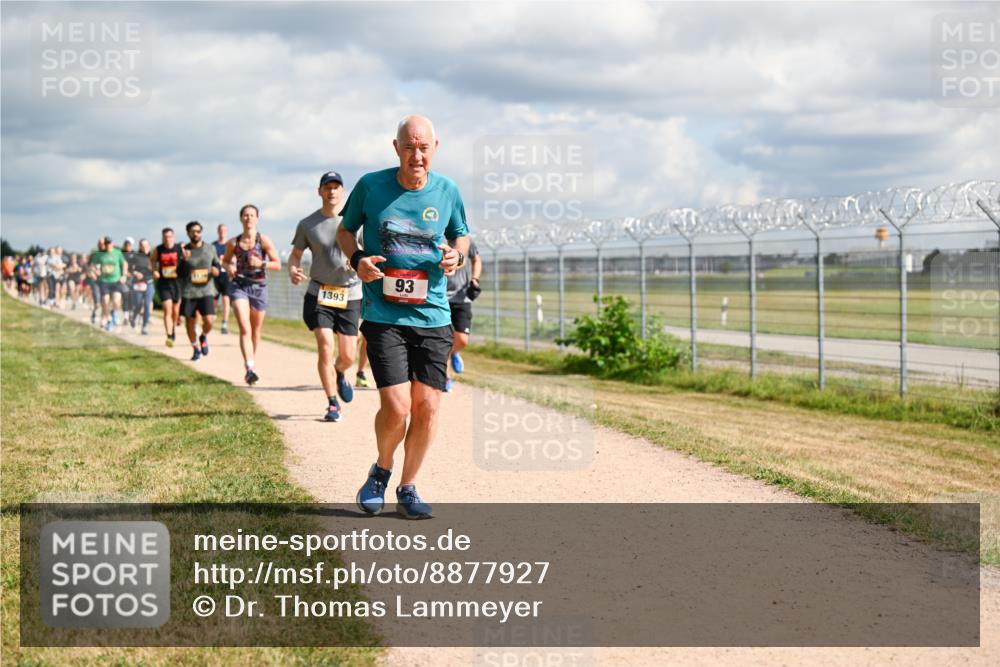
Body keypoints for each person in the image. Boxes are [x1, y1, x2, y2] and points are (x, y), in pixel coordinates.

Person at [336, 114, 469, 519]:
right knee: (397, 407)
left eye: (423, 148)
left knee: (427, 407)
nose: (416, 156)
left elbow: (461, 234)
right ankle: (382, 469)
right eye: (408, 147)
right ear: (396, 148)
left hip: (433, 316)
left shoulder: (448, 190)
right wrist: (357, 258)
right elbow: (345, 231)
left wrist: (456, 254)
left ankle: (408, 486)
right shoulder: (370, 186)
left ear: (435, 148)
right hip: (384, 314)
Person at [289, 171, 362, 422]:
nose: (332, 191)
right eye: (327, 187)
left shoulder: (355, 223)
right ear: (319, 192)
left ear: (342, 192)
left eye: (336, 187)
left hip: (350, 294)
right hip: (319, 292)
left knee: (348, 356)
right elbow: (296, 255)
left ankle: (340, 373)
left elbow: (366, 251)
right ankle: (332, 403)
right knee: (325, 347)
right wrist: (293, 269)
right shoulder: (307, 224)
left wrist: (359, 261)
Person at [222, 204, 280, 385]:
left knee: (255, 330)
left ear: (257, 218)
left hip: (259, 288)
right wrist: (229, 266)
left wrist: (261, 263)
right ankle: (249, 367)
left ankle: (251, 362)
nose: (248, 218)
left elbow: (277, 264)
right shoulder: (233, 243)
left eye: (252, 215)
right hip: (239, 286)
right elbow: (224, 262)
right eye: (245, 215)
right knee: (245, 328)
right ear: (241, 219)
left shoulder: (263, 241)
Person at [444, 238, 483, 391]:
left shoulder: (467, 241)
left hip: (461, 297)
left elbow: (476, 260)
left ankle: (453, 352)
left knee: (462, 340)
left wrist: (475, 280)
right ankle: (445, 377)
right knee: (443, 339)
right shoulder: (438, 237)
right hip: (440, 297)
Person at [181, 221, 221, 361]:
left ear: (201, 232)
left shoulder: (210, 248)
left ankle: (203, 336)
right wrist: (185, 261)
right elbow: (180, 273)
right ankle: (195, 347)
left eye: (198, 231)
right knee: (190, 323)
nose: (196, 233)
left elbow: (217, 264)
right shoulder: (184, 250)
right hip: (189, 292)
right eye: (193, 231)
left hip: (207, 290)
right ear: (188, 233)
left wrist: (217, 270)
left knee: (209, 320)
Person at [150, 228, 184, 346]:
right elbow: (152, 261)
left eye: (169, 236)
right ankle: (169, 335)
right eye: (165, 237)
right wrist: (154, 271)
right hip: (164, 284)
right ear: (162, 238)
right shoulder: (159, 250)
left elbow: (186, 261)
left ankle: (173, 328)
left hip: (178, 283)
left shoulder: (179, 248)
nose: (167, 239)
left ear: (173, 237)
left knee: (175, 311)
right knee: (167, 309)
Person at [91, 236, 128, 330]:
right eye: (106, 243)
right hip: (104, 281)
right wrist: (95, 271)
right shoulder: (99, 254)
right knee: (105, 301)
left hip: (116, 281)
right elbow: (92, 265)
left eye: (109, 243)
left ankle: (113, 312)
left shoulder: (117, 252)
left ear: (112, 243)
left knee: (116, 301)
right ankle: (108, 318)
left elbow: (124, 263)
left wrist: (124, 275)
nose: (108, 245)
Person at [131, 239, 155, 334]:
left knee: (147, 304)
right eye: (142, 245)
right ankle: (134, 316)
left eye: (146, 245)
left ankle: (145, 326)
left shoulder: (153, 256)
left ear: (149, 245)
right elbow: (130, 269)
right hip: (138, 284)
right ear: (140, 246)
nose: (144, 247)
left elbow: (157, 268)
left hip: (149, 283)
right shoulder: (135, 256)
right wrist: (135, 273)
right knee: (137, 304)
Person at [212, 223, 232, 334]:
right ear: (218, 231)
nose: (222, 232)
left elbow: (234, 259)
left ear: (227, 231)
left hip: (226, 276)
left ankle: (224, 323)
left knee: (226, 299)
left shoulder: (230, 245)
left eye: (224, 230)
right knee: (213, 300)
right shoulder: (213, 246)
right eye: (220, 230)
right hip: (215, 276)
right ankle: (211, 320)